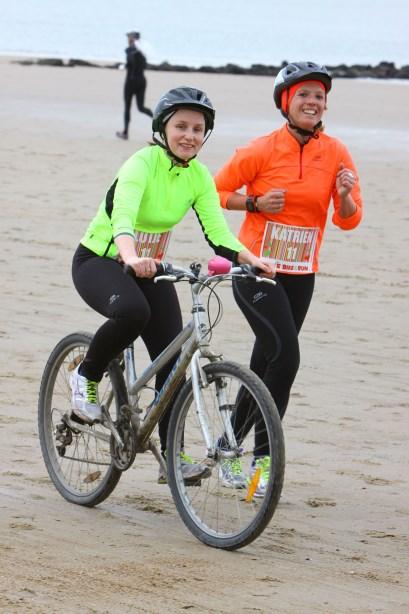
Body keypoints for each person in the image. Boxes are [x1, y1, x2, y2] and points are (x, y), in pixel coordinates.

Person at [71, 86, 273, 483]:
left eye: (198, 129)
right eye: (181, 126)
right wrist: (129, 257)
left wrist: (251, 260)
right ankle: (86, 376)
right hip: (101, 260)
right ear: (163, 128)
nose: (190, 135)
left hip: (152, 268)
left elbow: (218, 232)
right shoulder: (141, 163)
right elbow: (122, 218)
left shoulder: (198, 175)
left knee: (174, 359)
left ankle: (173, 457)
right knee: (132, 312)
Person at [214, 61, 363, 493]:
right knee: (286, 357)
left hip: (302, 275)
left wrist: (344, 196)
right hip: (256, 270)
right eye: (304, 95)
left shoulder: (335, 153)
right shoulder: (260, 150)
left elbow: (350, 220)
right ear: (285, 102)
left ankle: (227, 448)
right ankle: (262, 460)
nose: (313, 102)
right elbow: (216, 193)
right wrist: (256, 203)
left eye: (319, 96)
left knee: (267, 364)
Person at [116, 31, 153, 140]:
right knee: (141, 107)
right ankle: (157, 120)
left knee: (127, 107)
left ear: (133, 39)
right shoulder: (143, 52)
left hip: (131, 82)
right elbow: (143, 64)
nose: (128, 39)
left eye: (129, 37)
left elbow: (130, 63)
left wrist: (125, 65)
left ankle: (125, 133)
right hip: (142, 80)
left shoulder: (130, 51)